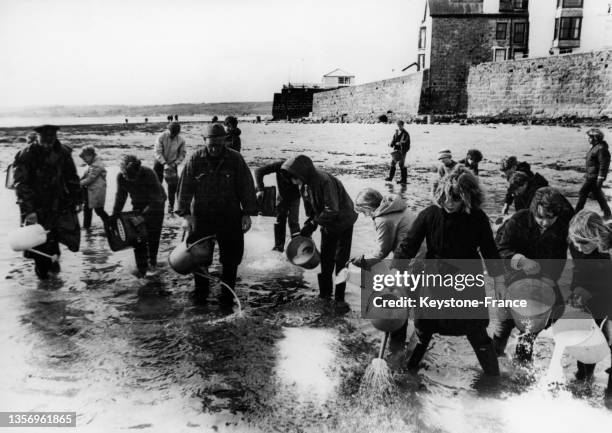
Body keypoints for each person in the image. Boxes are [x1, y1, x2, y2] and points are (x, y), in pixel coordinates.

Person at [394, 166, 504, 375]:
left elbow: (490, 251)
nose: (448, 203)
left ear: (467, 197)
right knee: (424, 329)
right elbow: (408, 245)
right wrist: (395, 273)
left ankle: (493, 379)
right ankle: (407, 372)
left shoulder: (478, 217)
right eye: (444, 199)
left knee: (477, 332)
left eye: (455, 199)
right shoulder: (429, 214)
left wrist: (499, 281)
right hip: (434, 280)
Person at [177, 123, 257, 306]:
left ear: (225, 142)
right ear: (204, 142)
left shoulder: (235, 159)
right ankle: (201, 292)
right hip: (202, 216)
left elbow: (246, 187)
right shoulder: (195, 159)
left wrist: (247, 213)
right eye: (210, 144)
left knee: (231, 257)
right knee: (198, 256)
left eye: (218, 145)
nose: (214, 149)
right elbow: (184, 188)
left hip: (230, 215)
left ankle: (227, 294)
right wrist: (185, 215)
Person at [494, 187, 574, 361]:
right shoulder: (518, 220)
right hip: (513, 278)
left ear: (557, 214)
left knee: (532, 329)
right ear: (533, 211)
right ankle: (495, 363)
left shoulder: (562, 227)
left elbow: (559, 258)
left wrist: (550, 278)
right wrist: (521, 261)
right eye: (540, 217)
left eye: (550, 218)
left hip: (542, 281)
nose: (545, 222)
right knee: (504, 324)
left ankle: (521, 367)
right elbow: (499, 249)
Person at [281, 155, 358, 314]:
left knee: (340, 261)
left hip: (343, 222)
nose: (293, 181)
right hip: (327, 223)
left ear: (302, 173)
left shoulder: (324, 180)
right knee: (326, 259)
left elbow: (333, 209)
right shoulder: (304, 185)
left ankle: (339, 298)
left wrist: (315, 223)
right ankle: (324, 295)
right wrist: (308, 225)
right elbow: (311, 211)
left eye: (294, 178)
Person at [352, 188, 423, 353]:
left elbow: (382, 251)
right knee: (414, 300)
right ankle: (419, 338)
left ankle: (395, 348)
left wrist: (362, 261)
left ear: (369, 207)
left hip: (411, 260)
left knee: (398, 302)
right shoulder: (397, 207)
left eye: (364, 212)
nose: (365, 215)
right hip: (425, 257)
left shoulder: (383, 219)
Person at [12, 125, 82, 279]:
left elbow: (72, 178)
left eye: (51, 140)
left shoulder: (63, 152)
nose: (48, 144)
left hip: (59, 205)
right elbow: (21, 185)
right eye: (44, 140)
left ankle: (54, 273)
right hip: (36, 208)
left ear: (55, 137)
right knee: (39, 244)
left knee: (58, 238)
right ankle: (44, 282)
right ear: (38, 137)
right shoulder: (26, 155)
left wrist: (78, 199)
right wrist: (29, 211)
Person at [567, 210, 612, 403]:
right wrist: (576, 290)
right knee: (586, 337)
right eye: (575, 243)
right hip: (594, 289)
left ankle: (609, 398)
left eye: (583, 243)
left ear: (597, 235)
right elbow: (579, 269)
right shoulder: (577, 243)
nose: (578, 247)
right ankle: (583, 378)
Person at [112, 155, 166, 277]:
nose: (130, 180)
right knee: (137, 237)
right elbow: (120, 198)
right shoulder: (121, 177)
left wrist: (143, 217)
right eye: (127, 177)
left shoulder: (149, 173)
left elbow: (156, 200)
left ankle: (152, 263)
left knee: (153, 236)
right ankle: (141, 269)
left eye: (133, 177)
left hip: (157, 203)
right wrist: (115, 217)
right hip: (138, 205)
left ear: (139, 170)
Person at [254, 160, 301, 252]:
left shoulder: (299, 169)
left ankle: (296, 248)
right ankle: (278, 247)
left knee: (293, 222)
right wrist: (260, 189)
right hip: (282, 195)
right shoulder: (279, 165)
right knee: (280, 219)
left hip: (295, 196)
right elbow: (258, 171)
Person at [575, 128, 611, 220]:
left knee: (582, 192)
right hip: (591, 175)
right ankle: (607, 213)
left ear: (595, 138)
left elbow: (604, 165)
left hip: (594, 177)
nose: (588, 139)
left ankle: (576, 213)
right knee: (598, 195)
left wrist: (600, 179)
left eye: (590, 137)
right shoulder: (596, 147)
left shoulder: (601, 149)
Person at [154, 121, 186, 214]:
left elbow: (182, 154)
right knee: (157, 185)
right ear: (168, 130)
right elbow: (157, 152)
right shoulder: (161, 137)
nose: (173, 135)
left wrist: (176, 163)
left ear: (178, 133)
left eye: (175, 134)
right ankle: (156, 207)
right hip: (159, 163)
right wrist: (164, 163)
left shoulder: (181, 140)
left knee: (172, 187)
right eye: (172, 133)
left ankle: (170, 208)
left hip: (172, 164)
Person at [79, 145, 108, 228]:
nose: (85, 161)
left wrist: (79, 183)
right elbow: (87, 176)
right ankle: (86, 227)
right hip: (91, 192)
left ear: (90, 155)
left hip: (96, 192)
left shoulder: (96, 165)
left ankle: (110, 224)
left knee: (99, 210)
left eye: (85, 159)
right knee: (87, 210)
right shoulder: (94, 163)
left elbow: (90, 178)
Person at [384, 120, 411, 184]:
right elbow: (393, 140)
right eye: (398, 125)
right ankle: (390, 178)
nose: (399, 126)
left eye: (400, 125)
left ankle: (403, 180)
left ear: (402, 125)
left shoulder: (406, 133)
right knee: (393, 163)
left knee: (401, 164)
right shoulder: (396, 132)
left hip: (402, 151)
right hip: (396, 150)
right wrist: (391, 144)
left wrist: (401, 143)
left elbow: (407, 142)